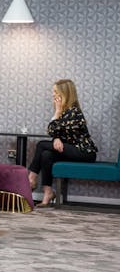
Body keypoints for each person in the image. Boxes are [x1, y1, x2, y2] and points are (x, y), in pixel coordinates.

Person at [28, 79, 97, 207]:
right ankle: (48, 192)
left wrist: (57, 113)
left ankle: (31, 179)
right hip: (70, 150)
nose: (53, 94)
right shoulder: (64, 112)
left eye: (55, 92)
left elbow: (52, 130)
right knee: (46, 155)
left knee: (41, 145)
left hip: (84, 152)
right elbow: (56, 133)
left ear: (65, 93)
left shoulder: (74, 112)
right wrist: (56, 138)